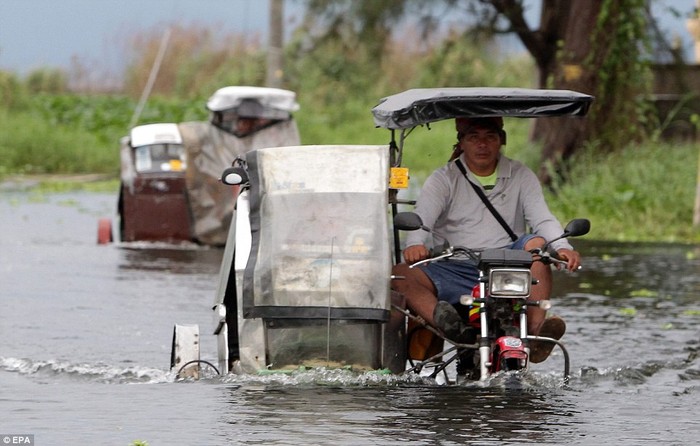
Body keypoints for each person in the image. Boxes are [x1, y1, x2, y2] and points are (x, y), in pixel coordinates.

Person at [391, 116, 581, 364]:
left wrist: (562, 247)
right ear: (462, 143)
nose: (482, 144)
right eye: (474, 138)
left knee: (537, 246)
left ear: (501, 141)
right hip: (454, 265)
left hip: (506, 265)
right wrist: (415, 243)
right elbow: (422, 218)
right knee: (400, 274)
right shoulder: (443, 179)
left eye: (490, 137)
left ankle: (533, 335)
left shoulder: (521, 175)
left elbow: (542, 218)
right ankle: (450, 327)